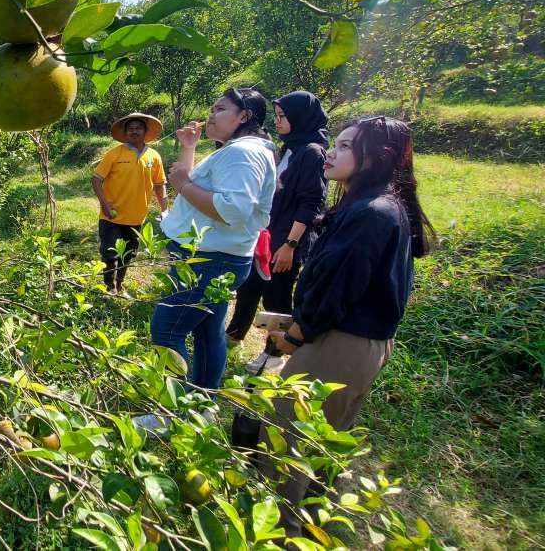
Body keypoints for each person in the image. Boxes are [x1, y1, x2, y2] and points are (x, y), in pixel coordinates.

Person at [261, 116, 434, 537]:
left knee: (290, 438)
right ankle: (314, 524)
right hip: (361, 344)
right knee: (326, 436)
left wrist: (294, 336)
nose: (331, 152)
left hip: (341, 343)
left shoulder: (371, 213)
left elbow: (338, 289)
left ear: (375, 157)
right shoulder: (379, 205)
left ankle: (282, 534)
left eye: (344, 145)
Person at [145, 88, 277, 396]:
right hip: (217, 256)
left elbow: (231, 208)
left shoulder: (243, 153)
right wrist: (188, 148)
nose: (210, 116)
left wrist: (184, 184)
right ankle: (202, 402)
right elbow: (201, 190)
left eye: (219, 109)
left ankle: (168, 411)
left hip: (209, 259)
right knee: (208, 331)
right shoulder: (240, 150)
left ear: (244, 115)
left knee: (167, 330)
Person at [225, 91, 329, 373]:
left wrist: (290, 245)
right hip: (269, 236)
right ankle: (233, 336)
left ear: (300, 118)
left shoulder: (312, 153)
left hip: (287, 241)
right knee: (249, 289)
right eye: (278, 116)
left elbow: (311, 203)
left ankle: (274, 353)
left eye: (284, 117)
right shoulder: (289, 149)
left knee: (277, 298)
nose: (279, 122)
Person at [91, 113, 168, 294]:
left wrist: (165, 209)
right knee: (110, 255)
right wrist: (105, 204)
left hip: (136, 217)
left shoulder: (154, 156)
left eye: (138, 128)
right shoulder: (114, 154)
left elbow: (160, 185)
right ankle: (109, 289)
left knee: (128, 256)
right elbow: (96, 179)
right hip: (111, 216)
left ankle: (119, 284)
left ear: (145, 131)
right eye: (130, 128)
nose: (134, 131)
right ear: (125, 132)